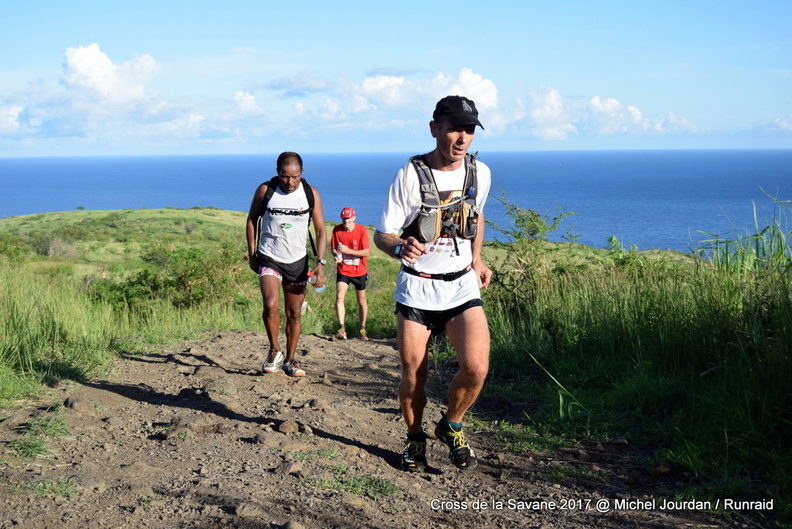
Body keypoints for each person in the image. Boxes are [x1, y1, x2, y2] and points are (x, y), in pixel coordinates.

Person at [374, 95, 493, 472]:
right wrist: (399, 247)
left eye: (469, 130)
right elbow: (382, 235)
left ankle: (451, 425)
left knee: (476, 367)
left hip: (461, 286)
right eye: (455, 128)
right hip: (417, 288)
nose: (462, 137)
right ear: (434, 129)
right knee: (414, 375)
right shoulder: (410, 175)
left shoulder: (480, 172)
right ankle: (414, 438)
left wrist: (477, 260)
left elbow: (477, 216)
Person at [246, 152, 327, 377]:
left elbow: (321, 229)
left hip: (297, 260)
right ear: (277, 172)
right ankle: (274, 350)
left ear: (302, 173)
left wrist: (320, 262)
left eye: (295, 176)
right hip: (269, 256)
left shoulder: (310, 193)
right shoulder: (266, 190)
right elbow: (252, 220)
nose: (290, 182)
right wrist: (252, 254)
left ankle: (290, 360)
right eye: (285, 176)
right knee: (270, 303)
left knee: (294, 313)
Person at [331, 207, 371, 341]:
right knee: (339, 296)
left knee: (362, 300)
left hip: (359, 270)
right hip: (343, 269)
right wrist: (336, 256)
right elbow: (333, 248)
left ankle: (362, 330)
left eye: (348, 219)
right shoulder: (337, 230)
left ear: (353, 218)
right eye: (344, 219)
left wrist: (349, 251)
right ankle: (342, 329)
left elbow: (366, 252)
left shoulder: (362, 230)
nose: (346, 222)